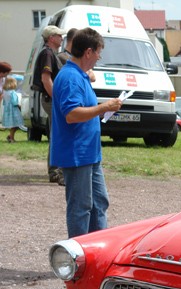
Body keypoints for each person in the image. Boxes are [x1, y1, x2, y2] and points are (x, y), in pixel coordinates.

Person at [50, 27, 123, 238]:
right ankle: (79, 259)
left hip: (89, 153)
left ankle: (98, 251)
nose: (100, 57)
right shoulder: (71, 77)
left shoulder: (79, 75)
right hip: (77, 154)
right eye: (99, 52)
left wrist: (103, 109)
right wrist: (104, 108)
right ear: (88, 52)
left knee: (99, 202)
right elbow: (71, 114)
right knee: (80, 207)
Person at [33, 25, 66, 184]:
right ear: (51, 37)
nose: (61, 38)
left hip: (51, 99)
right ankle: (55, 172)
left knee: (56, 134)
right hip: (51, 99)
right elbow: (46, 79)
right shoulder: (47, 53)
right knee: (57, 135)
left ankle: (55, 171)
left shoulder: (50, 53)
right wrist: (57, 99)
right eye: (59, 35)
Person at [2, 76, 22, 142]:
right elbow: (14, 102)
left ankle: (10, 136)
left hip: (7, 110)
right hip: (14, 110)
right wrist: (20, 106)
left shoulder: (4, 92)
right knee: (16, 125)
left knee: (13, 125)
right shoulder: (12, 92)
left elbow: (4, 102)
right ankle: (11, 138)